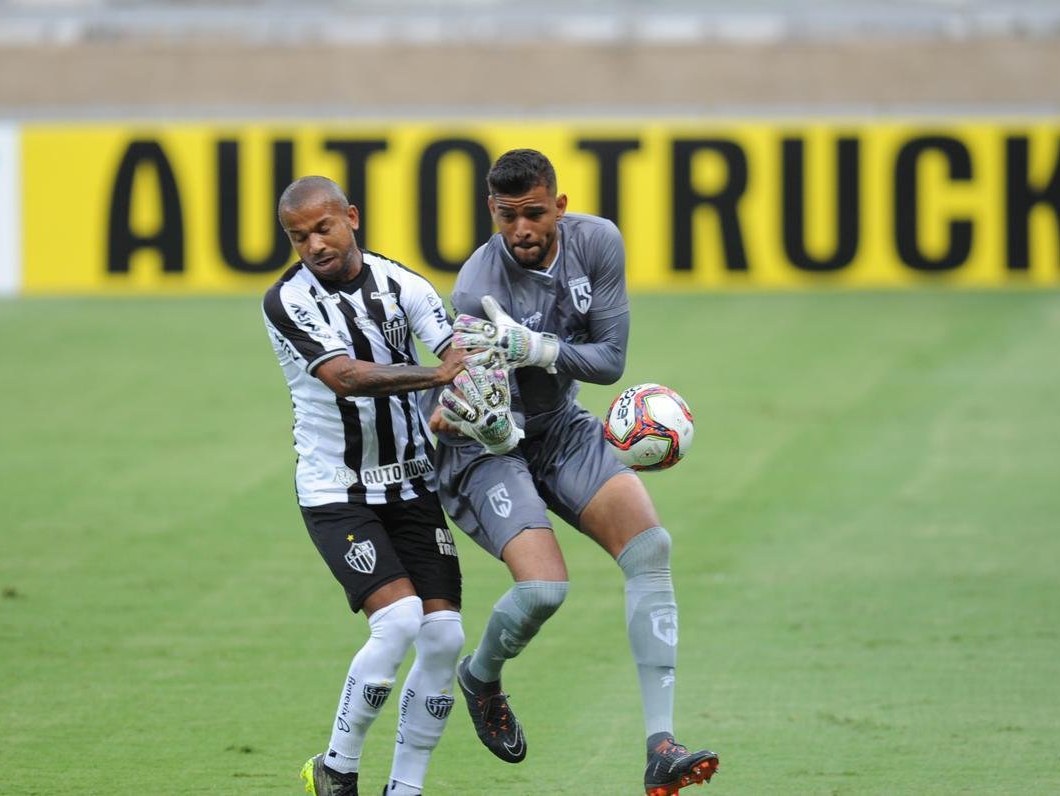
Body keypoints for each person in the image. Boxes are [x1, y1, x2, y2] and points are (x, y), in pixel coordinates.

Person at [430, 149, 719, 796]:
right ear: (492, 212)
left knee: (650, 548)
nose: (523, 230)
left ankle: (660, 747)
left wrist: (537, 350)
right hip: (486, 445)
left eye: (535, 213)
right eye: (509, 217)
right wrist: (496, 416)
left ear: (559, 206)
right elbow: (484, 413)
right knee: (543, 592)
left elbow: (611, 360)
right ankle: (480, 676)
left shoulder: (597, 243)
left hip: (559, 425)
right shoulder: (476, 287)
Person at [262, 176, 467, 796]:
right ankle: (336, 768)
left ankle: (405, 788)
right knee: (400, 620)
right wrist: (437, 374)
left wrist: (461, 387)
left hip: (411, 482)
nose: (313, 245)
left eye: (323, 228)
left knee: (445, 637)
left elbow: (456, 348)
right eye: (299, 237)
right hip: (336, 490)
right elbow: (346, 377)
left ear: (351, 217)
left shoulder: (404, 285)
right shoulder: (286, 302)